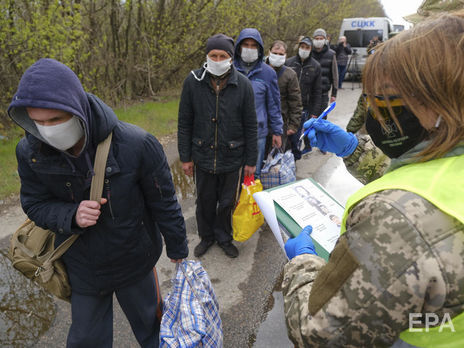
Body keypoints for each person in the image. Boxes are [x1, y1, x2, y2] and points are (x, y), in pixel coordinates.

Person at [282, 11, 464, 347]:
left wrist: (302, 262)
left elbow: (320, 332)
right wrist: (354, 149)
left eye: (389, 97)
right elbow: (428, 182)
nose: (376, 111)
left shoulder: (396, 220)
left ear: (441, 100)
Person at [8, 58, 188, 347]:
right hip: (83, 268)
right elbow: (34, 203)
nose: (47, 130)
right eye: (38, 122)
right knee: (86, 340)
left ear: (76, 107)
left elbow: (164, 201)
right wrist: (71, 215)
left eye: (55, 120)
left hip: (135, 261)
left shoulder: (137, 144)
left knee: (153, 330)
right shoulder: (30, 150)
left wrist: (178, 248)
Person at [178, 34, 258, 258]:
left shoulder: (243, 84)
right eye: (213, 55)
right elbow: (184, 122)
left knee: (226, 202)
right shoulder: (193, 81)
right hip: (202, 155)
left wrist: (251, 160)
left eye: (222, 55)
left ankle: (223, 236)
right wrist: (186, 157)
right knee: (204, 200)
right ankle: (207, 236)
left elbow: (251, 125)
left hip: (232, 157)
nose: (217, 59)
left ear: (231, 58)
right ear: (207, 56)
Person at [233, 28, 283, 177]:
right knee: (232, 175)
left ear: (259, 49)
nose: (249, 49)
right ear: (239, 48)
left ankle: (250, 200)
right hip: (232, 133)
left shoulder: (268, 73)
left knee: (252, 174)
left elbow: (274, 105)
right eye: (246, 45)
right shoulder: (229, 70)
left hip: (258, 134)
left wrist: (277, 131)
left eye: (253, 46)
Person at [285, 36, 322, 160]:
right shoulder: (289, 62)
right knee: (284, 138)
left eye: (307, 47)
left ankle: (293, 162)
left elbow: (317, 92)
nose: (304, 49)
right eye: (302, 47)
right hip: (286, 107)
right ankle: (282, 162)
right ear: (298, 47)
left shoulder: (315, 66)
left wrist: (315, 112)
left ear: (311, 49)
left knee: (296, 139)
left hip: (304, 109)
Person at [265, 40, 302, 152]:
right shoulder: (259, 70)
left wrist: (293, 125)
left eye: (281, 54)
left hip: (281, 123)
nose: (277, 56)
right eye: (275, 53)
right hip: (260, 122)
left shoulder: (290, 75)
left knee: (276, 159)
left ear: (286, 55)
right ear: (269, 52)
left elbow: (295, 101)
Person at [311, 28, 338, 116]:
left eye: (321, 38)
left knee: (322, 117)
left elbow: (335, 75)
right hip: (310, 92)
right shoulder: (309, 53)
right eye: (317, 38)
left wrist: (334, 93)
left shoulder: (331, 54)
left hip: (323, 93)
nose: (319, 41)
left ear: (325, 40)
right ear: (313, 39)